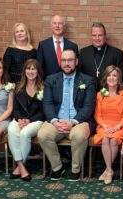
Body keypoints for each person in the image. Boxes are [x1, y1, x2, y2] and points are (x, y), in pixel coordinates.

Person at [37, 49, 96, 181]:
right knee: (43, 135)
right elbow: (47, 103)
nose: (67, 63)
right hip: (57, 120)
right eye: (64, 60)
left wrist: (73, 122)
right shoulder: (51, 79)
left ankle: (76, 169)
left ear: (76, 62)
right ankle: (57, 167)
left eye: (70, 60)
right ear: (60, 62)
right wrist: (54, 121)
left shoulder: (87, 80)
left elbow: (88, 107)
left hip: (78, 121)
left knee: (79, 135)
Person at [8, 59, 44, 181]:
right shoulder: (18, 87)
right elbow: (15, 109)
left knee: (24, 133)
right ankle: (22, 167)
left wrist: (29, 120)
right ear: (25, 71)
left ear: (38, 71)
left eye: (33, 69)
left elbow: (43, 112)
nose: (31, 71)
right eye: (28, 68)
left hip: (36, 121)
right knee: (12, 130)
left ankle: (19, 167)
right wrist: (19, 120)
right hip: (19, 119)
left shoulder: (43, 88)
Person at [94, 65, 123, 184]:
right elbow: (97, 115)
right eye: (109, 75)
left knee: (114, 140)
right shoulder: (100, 94)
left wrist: (117, 127)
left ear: (119, 78)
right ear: (105, 77)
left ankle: (107, 170)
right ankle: (109, 170)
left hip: (119, 126)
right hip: (104, 126)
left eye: (114, 75)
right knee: (105, 139)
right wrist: (104, 126)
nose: (111, 78)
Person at [79, 22, 123, 88]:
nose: (97, 38)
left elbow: (121, 78)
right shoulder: (83, 52)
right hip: (88, 92)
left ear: (105, 36)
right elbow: (80, 76)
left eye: (100, 35)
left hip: (109, 94)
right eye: (94, 35)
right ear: (91, 36)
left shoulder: (117, 53)